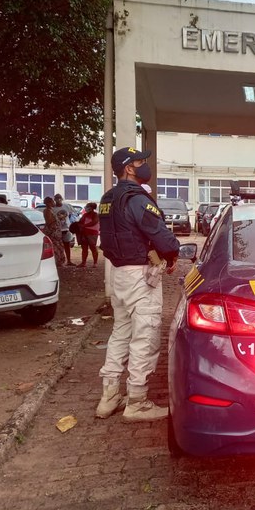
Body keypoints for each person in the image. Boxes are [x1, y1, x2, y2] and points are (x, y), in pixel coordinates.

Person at [96, 147, 180, 423]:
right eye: (140, 162)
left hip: (119, 274)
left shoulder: (108, 198)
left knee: (120, 333)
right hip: (140, 276)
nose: (145, 166)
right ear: (129, 168)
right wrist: (172, 253)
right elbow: (162, 236)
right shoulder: (136, 199)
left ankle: (109, 397)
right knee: (145, 335)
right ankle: (137, 401)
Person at [53, 194, 78, 266]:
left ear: (62, 199)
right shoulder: (52, 208)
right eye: (56, 198)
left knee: (67, 245)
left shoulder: (67, 206)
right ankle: (59, 261)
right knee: (58, 246)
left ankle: (69, 261)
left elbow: (74, 213)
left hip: (66, 229)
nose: (58, 200)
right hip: (57, 229)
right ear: (54, 199)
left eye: (59, 198)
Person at [42, 196, 66, 265]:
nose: (54, 203)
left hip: (56, 232)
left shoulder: (52, 210)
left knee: (59, 246)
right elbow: (49, 221)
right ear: (49, 203)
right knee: (55, 247)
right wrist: (57, 218)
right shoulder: (47, 211)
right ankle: (56, 261)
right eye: (52, 201)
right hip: (52, 232)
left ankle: (60, 261)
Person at [76, 202, 100, 268]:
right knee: (84, 248)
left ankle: (95, 263)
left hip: (92, 234)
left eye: (87, 206)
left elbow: (94, 222)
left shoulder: (95, 215)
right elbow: (80, 221)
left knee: (93, 247)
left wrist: (84, 225)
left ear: (91, 208)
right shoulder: (85, 215)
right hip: (84, 233)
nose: (86, 208)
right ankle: (83, 263)